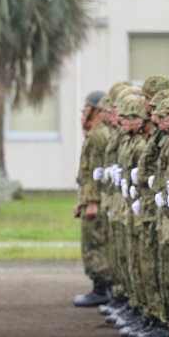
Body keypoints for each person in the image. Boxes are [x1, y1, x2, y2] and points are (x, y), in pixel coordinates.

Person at [74, 89, 113, 307]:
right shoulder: (96, 133)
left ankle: (101, 288)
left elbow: (98, 171)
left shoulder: (99, 135)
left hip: (96, 201)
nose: (84, 111)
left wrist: (91, 202)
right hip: (90, 198)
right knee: (91, 241)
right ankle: (100, 287)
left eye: (87, 107)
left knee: (95, 243)